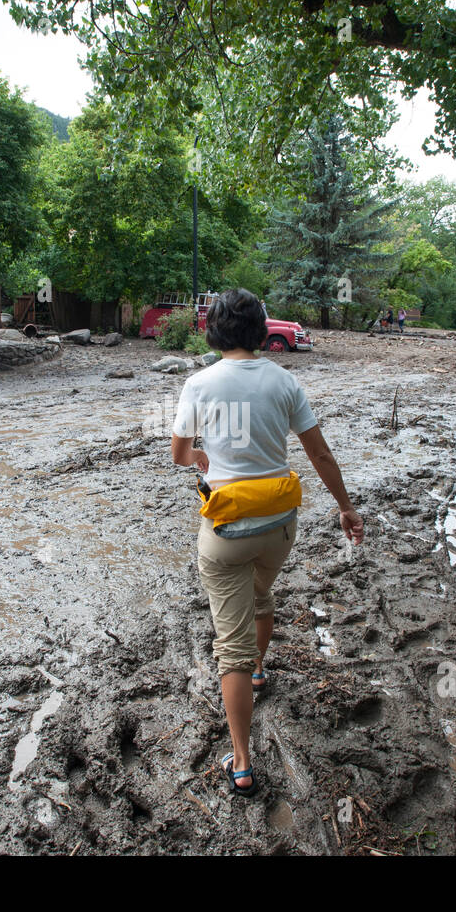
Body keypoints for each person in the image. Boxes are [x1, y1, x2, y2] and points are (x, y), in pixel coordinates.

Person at [171, 288, 363, 798]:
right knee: (261, 594)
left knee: (226, 645)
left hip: (225, 531)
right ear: (261, 330)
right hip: (280, 524)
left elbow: (179, 454)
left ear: (212, 330)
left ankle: (241, 758)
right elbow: (320, 455)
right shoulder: (286, 380)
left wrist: (202, 460)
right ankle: (259, 670)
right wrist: (345, 507)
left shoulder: (199, 382)